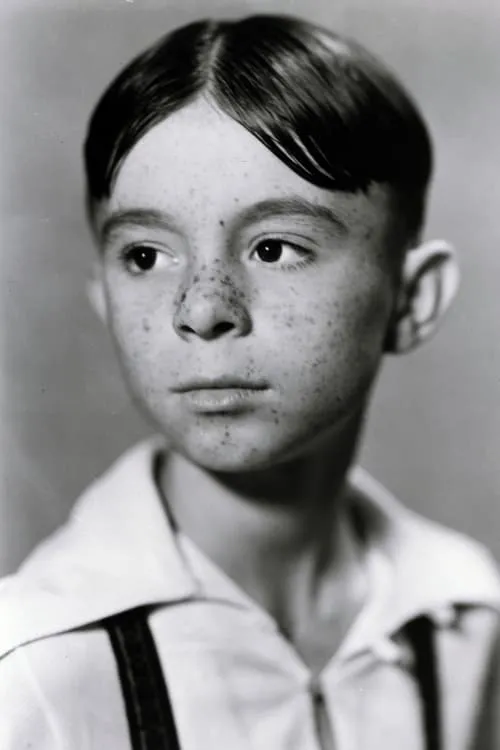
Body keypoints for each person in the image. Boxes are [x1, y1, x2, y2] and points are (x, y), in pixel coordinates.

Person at [0, 13, 498, 750]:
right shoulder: (34, 667)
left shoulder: (465, 619)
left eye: (274, 248)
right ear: (104, 299)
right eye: (145, 256)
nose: (201, 309)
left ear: (411, 297)